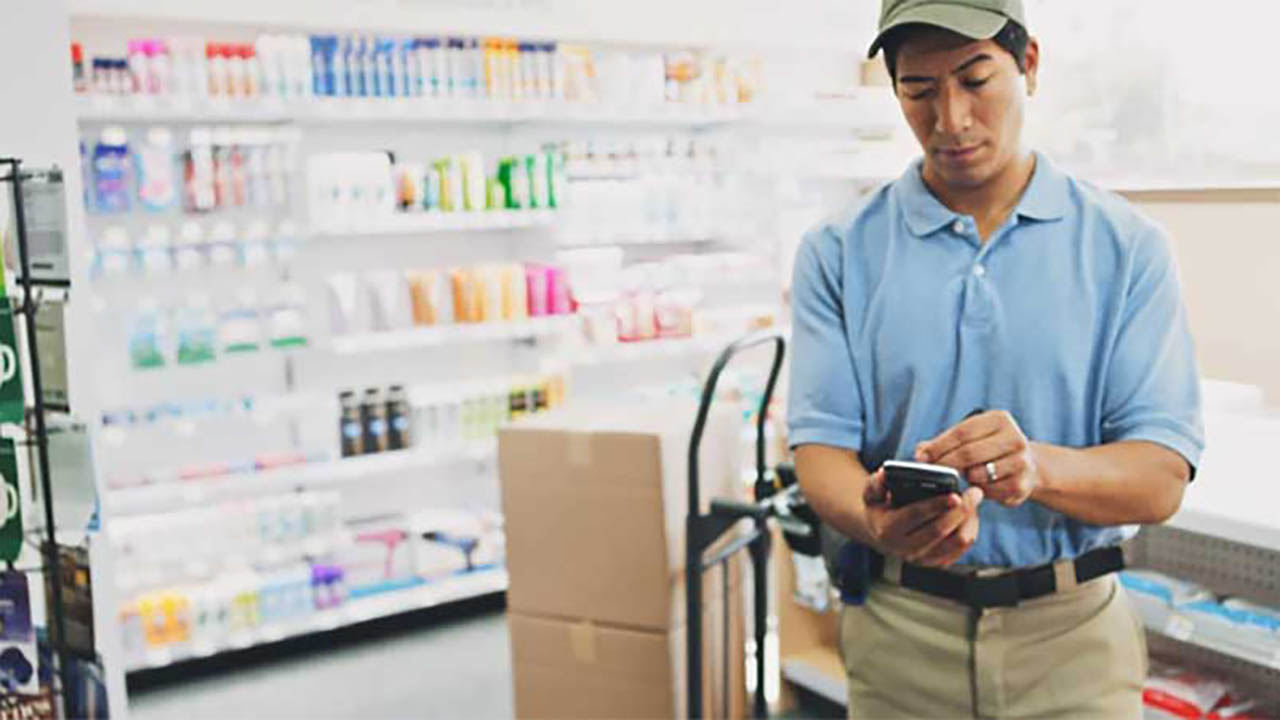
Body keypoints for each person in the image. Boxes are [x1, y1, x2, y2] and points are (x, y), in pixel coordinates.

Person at [786, 0, 1205, 717]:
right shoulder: (840, 252)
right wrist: (871, 514)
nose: (950, 119)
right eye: (919, 91)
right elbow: (819, 448)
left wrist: (1038, 467)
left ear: (1029, 65)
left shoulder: (1127, 248)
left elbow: (1161, 475)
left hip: (1073, 642)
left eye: (975, 79)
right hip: (899, 639)